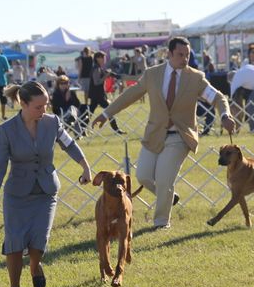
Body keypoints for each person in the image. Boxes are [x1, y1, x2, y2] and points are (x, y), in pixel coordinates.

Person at [91, 36, 235, 230]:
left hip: (180, 137)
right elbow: (130, 95)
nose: (184, 59)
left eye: (187, 55)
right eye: (180, 54)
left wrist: (225, 114)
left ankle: (161, 223)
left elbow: (217, 97)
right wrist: (106, 113)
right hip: (154, 135)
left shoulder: (196, 77)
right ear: (169, 54)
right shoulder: (152, 75)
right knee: (142, 176)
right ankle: (168, 196)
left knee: (165, 179)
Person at [0, 81, 92, 287]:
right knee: (14, 242)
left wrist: (85, 166)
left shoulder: (52, 123)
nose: (43, 111)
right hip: (17, 195)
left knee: (38, 240)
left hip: (46, 192)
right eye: (38, 107)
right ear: (23, 103)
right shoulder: (5, 131)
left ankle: (35, 266)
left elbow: (69, 144)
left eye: (46, 105)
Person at [87, 52, 126, 135]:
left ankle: (81, 130)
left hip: (97, 95)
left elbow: (108, 74)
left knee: (89, 113)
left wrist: (115, 75)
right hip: (98, 95)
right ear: (98, 58)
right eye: (103, 57)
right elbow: (96, 82)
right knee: (110, 111)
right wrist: (106, 75)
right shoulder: (96, 68)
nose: (104, 59)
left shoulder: (99, 68)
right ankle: (116, 129)